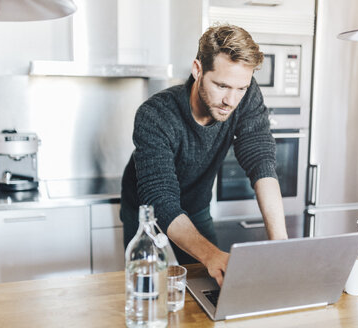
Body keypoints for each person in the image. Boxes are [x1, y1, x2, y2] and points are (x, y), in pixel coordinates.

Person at [120, 24, 288, 286]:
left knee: (210, 285)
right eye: (221, 86)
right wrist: (211, 255)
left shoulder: (246, 95)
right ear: (198, 69)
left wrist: (281, 245)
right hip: (146, 212)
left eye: (240, 89)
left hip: (195, 205)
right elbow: (161, 199)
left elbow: (260, 160)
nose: (231, 101)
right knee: (146, 286)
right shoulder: (155, 115)